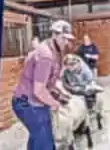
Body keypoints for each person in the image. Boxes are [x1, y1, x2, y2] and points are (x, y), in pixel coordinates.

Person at [11, 20, 77, 150]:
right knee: (46, 144)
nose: (66, 42)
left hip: (37, 101)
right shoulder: (45, 55)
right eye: (63, 38)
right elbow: (39, 90)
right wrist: (54, 103)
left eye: (68, 39)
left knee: (38, 138)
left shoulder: (56, 51)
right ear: (55, 35)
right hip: (27, 103)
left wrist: (63, 92)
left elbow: (53, 80)